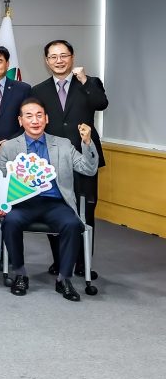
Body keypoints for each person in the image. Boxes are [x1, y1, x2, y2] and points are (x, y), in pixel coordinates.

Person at [0, 97, 99, 301]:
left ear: (46, 119)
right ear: (20, 121)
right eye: (29, 116)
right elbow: (2, 181)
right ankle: (20, 274)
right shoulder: (9, 147)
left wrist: (88, 142)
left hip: (55, 203)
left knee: (72, 224)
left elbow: (89, 169)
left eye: (39, 115)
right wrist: (1, 205)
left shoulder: (63, 144)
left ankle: (64, 279)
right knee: (10, 221)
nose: (35, 120)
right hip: (23, 203)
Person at [31, 39, 109, 277]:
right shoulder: (39, 90)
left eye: (63, 55)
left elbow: (101, 103)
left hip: (84, 156)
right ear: (47, 61)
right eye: (53, 57)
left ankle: (83, 264)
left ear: (72, 57)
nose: (59, 61)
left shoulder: (90, 83)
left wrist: (84, 80)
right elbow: (34, 122)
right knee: (54, 208)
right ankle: (59, 261)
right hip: (52, 159)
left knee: (86, 211)